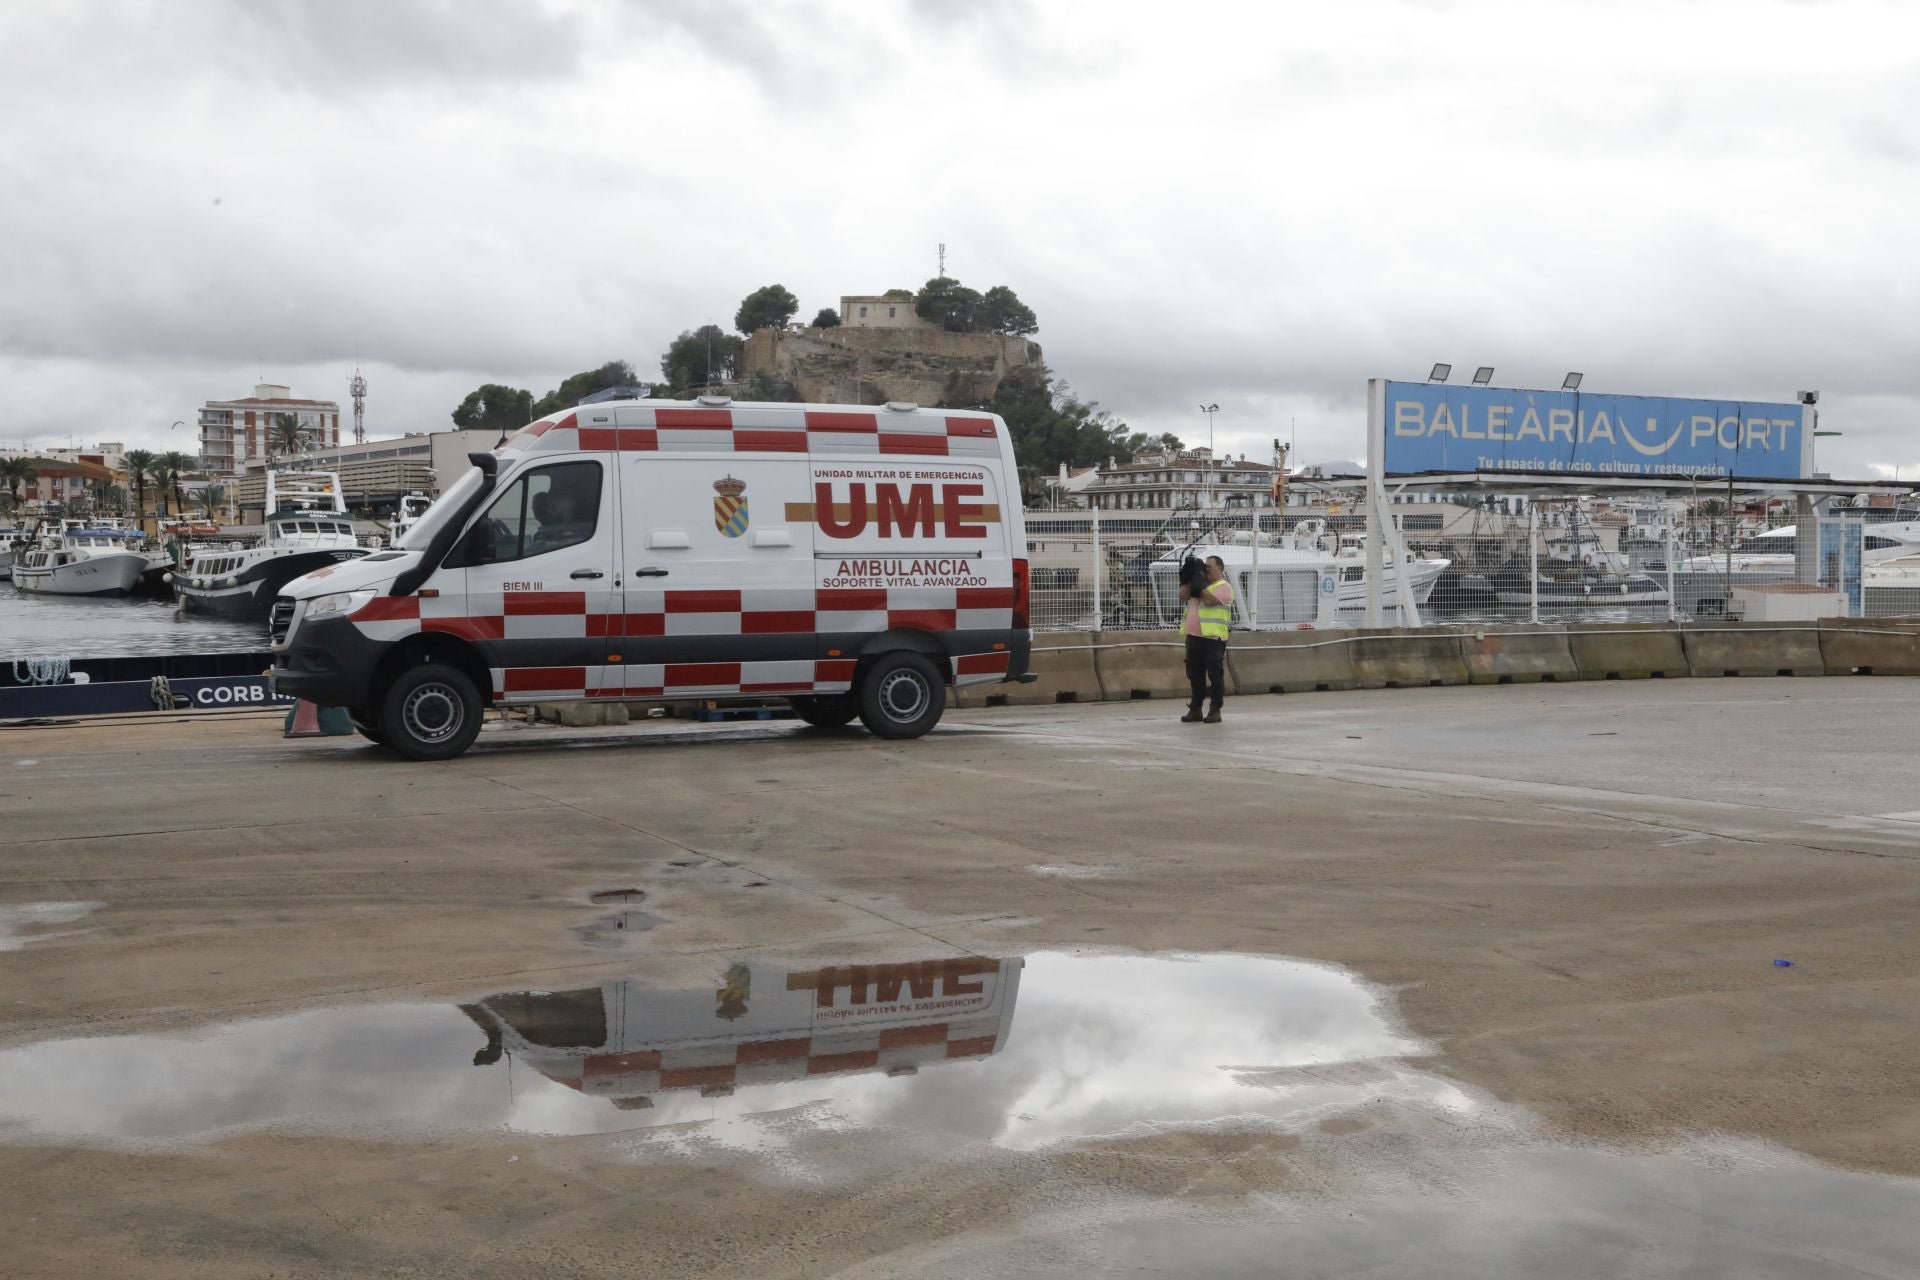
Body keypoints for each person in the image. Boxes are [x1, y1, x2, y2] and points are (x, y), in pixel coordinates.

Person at [1179, 554, 1233, 724]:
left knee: (1215, 675)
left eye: (1210, 567)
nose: (1206, 570)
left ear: (1220, 569)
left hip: (1213, 638)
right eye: (1205, 566)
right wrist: (1187, 578)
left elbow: (1209, 601)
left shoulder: (1224, 587)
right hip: (1193, 637)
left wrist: (1199, 583)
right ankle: (1195, 709)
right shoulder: (1198, 585)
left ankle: (1215, 710)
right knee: (1194, 675)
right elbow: (1182, 596)